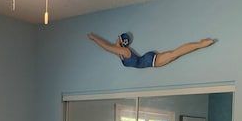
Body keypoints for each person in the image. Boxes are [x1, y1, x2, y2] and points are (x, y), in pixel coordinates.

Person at [87, 32, 216, 69]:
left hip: (151, 60)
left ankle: (201, 44)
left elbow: (107, 47)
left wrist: (94, 38)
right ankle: (200, 45)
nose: (116, 43)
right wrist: (95, 40)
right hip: (149, 61)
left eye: (118, 41)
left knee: (176, 53)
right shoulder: (121, 54)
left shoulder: (124, 53)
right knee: (176, 55)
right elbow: (110, 47)